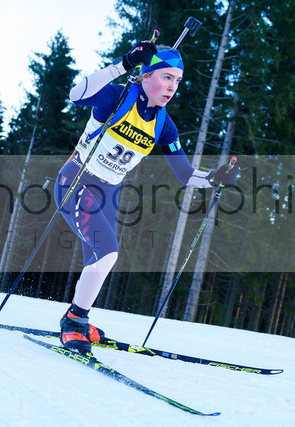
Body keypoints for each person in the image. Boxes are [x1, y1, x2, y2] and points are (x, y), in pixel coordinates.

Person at [54, 40, 240, 354]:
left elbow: (184, 174)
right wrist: (124, 63)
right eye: (166, 77)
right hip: (76, 181)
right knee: (107, 252)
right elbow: (76, 95)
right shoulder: (116, 97)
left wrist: (214, 178)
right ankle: (74, 321)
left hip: (108, 193)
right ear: (146, 76)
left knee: (98, 261)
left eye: (177, 80)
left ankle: (80, 319)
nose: (172, 86)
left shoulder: (164, 125)